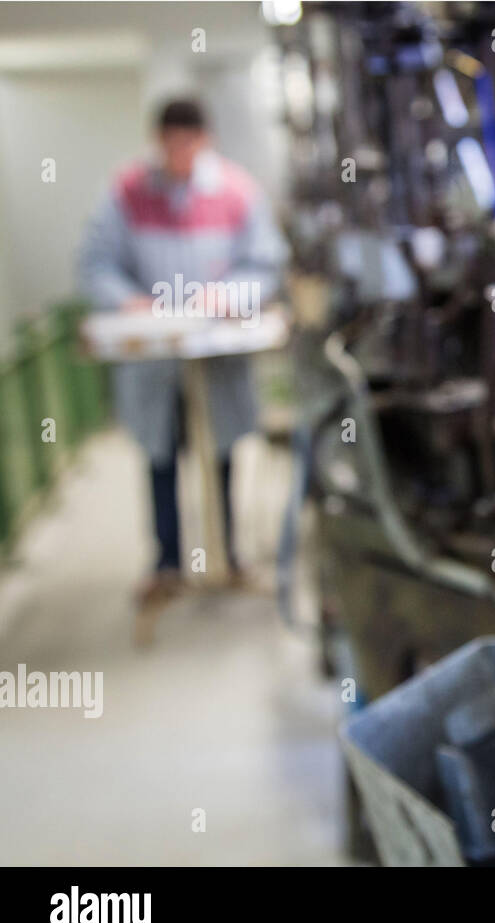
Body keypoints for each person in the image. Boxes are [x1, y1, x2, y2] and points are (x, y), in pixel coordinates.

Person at [78, 98, 288, 604]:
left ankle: (229, 556)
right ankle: (168, 562)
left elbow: (267, 264)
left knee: (218, 455)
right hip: (154, 361)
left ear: (205, 139)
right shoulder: (128, 193)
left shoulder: (236, 192)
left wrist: (227, 295)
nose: (179, 153)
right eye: (169, 143)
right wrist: (128, 301)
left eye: (188, 143)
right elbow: (94, 262)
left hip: (215, 357)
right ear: (158, 140)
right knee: (161, 457)